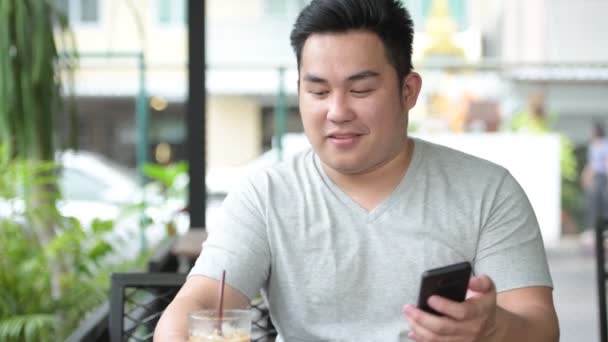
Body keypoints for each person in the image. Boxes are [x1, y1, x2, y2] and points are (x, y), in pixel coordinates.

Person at [155, 0, 559, 341]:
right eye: (317, 91)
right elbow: (201, 301)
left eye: (361, 89)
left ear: (409, 91)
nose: (337, 112)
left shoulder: (487, 191)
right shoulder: (266, 194)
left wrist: (492, 327)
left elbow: (539, 323)